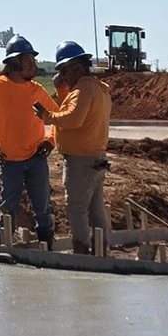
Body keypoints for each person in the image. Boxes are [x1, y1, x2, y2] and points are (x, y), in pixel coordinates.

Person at [0, 36, 60, 246]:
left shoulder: (36, 90)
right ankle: (5, 248)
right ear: (14, 63)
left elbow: (59, 116)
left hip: (36, 159)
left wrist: (51, 140)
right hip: (9, 161)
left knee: (42, 206)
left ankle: (46, 246)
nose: (34, 66)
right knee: (8, 207)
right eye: (29, 62)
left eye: (34, 62)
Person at [47, 42, 113, 256]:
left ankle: (82, 254)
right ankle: (102, 251)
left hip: (80, 162)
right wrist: (61, 90)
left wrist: (48, 117)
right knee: (95, 210)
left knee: (77, 209)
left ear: (75, 68)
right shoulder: (97, 88)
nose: (62, 78)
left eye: (63, 72)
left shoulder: (83, 89)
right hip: (95, 158)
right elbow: (74, 108)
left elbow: (73, 118)